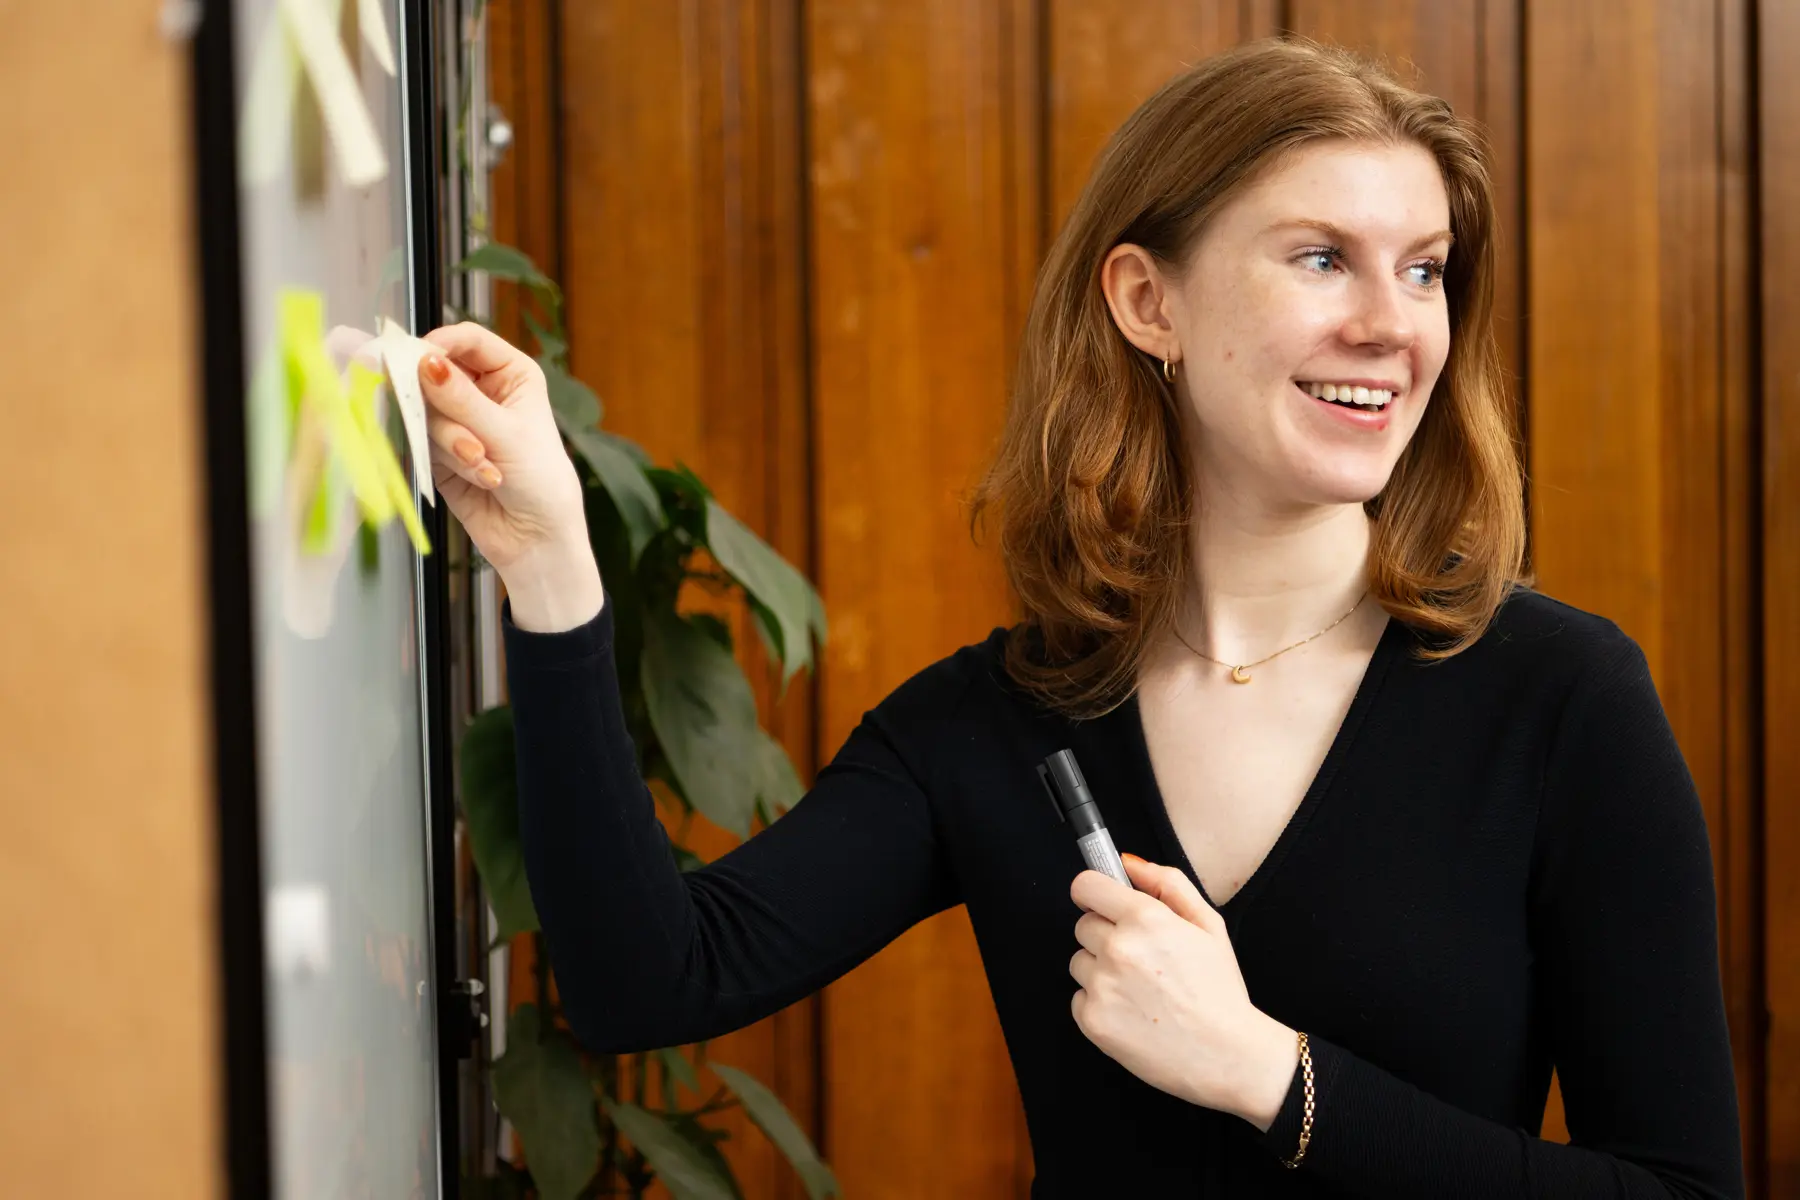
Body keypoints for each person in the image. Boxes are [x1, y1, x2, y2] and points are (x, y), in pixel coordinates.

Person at [415, 37, 1744, 1199]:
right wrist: (546, 560)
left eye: (1425, 271)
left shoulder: (1563, 699)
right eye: (1324, 258)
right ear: (1146, 301)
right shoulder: (990, 726)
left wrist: (1273, 1079)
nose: (1391, 327)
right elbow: (646, 981)